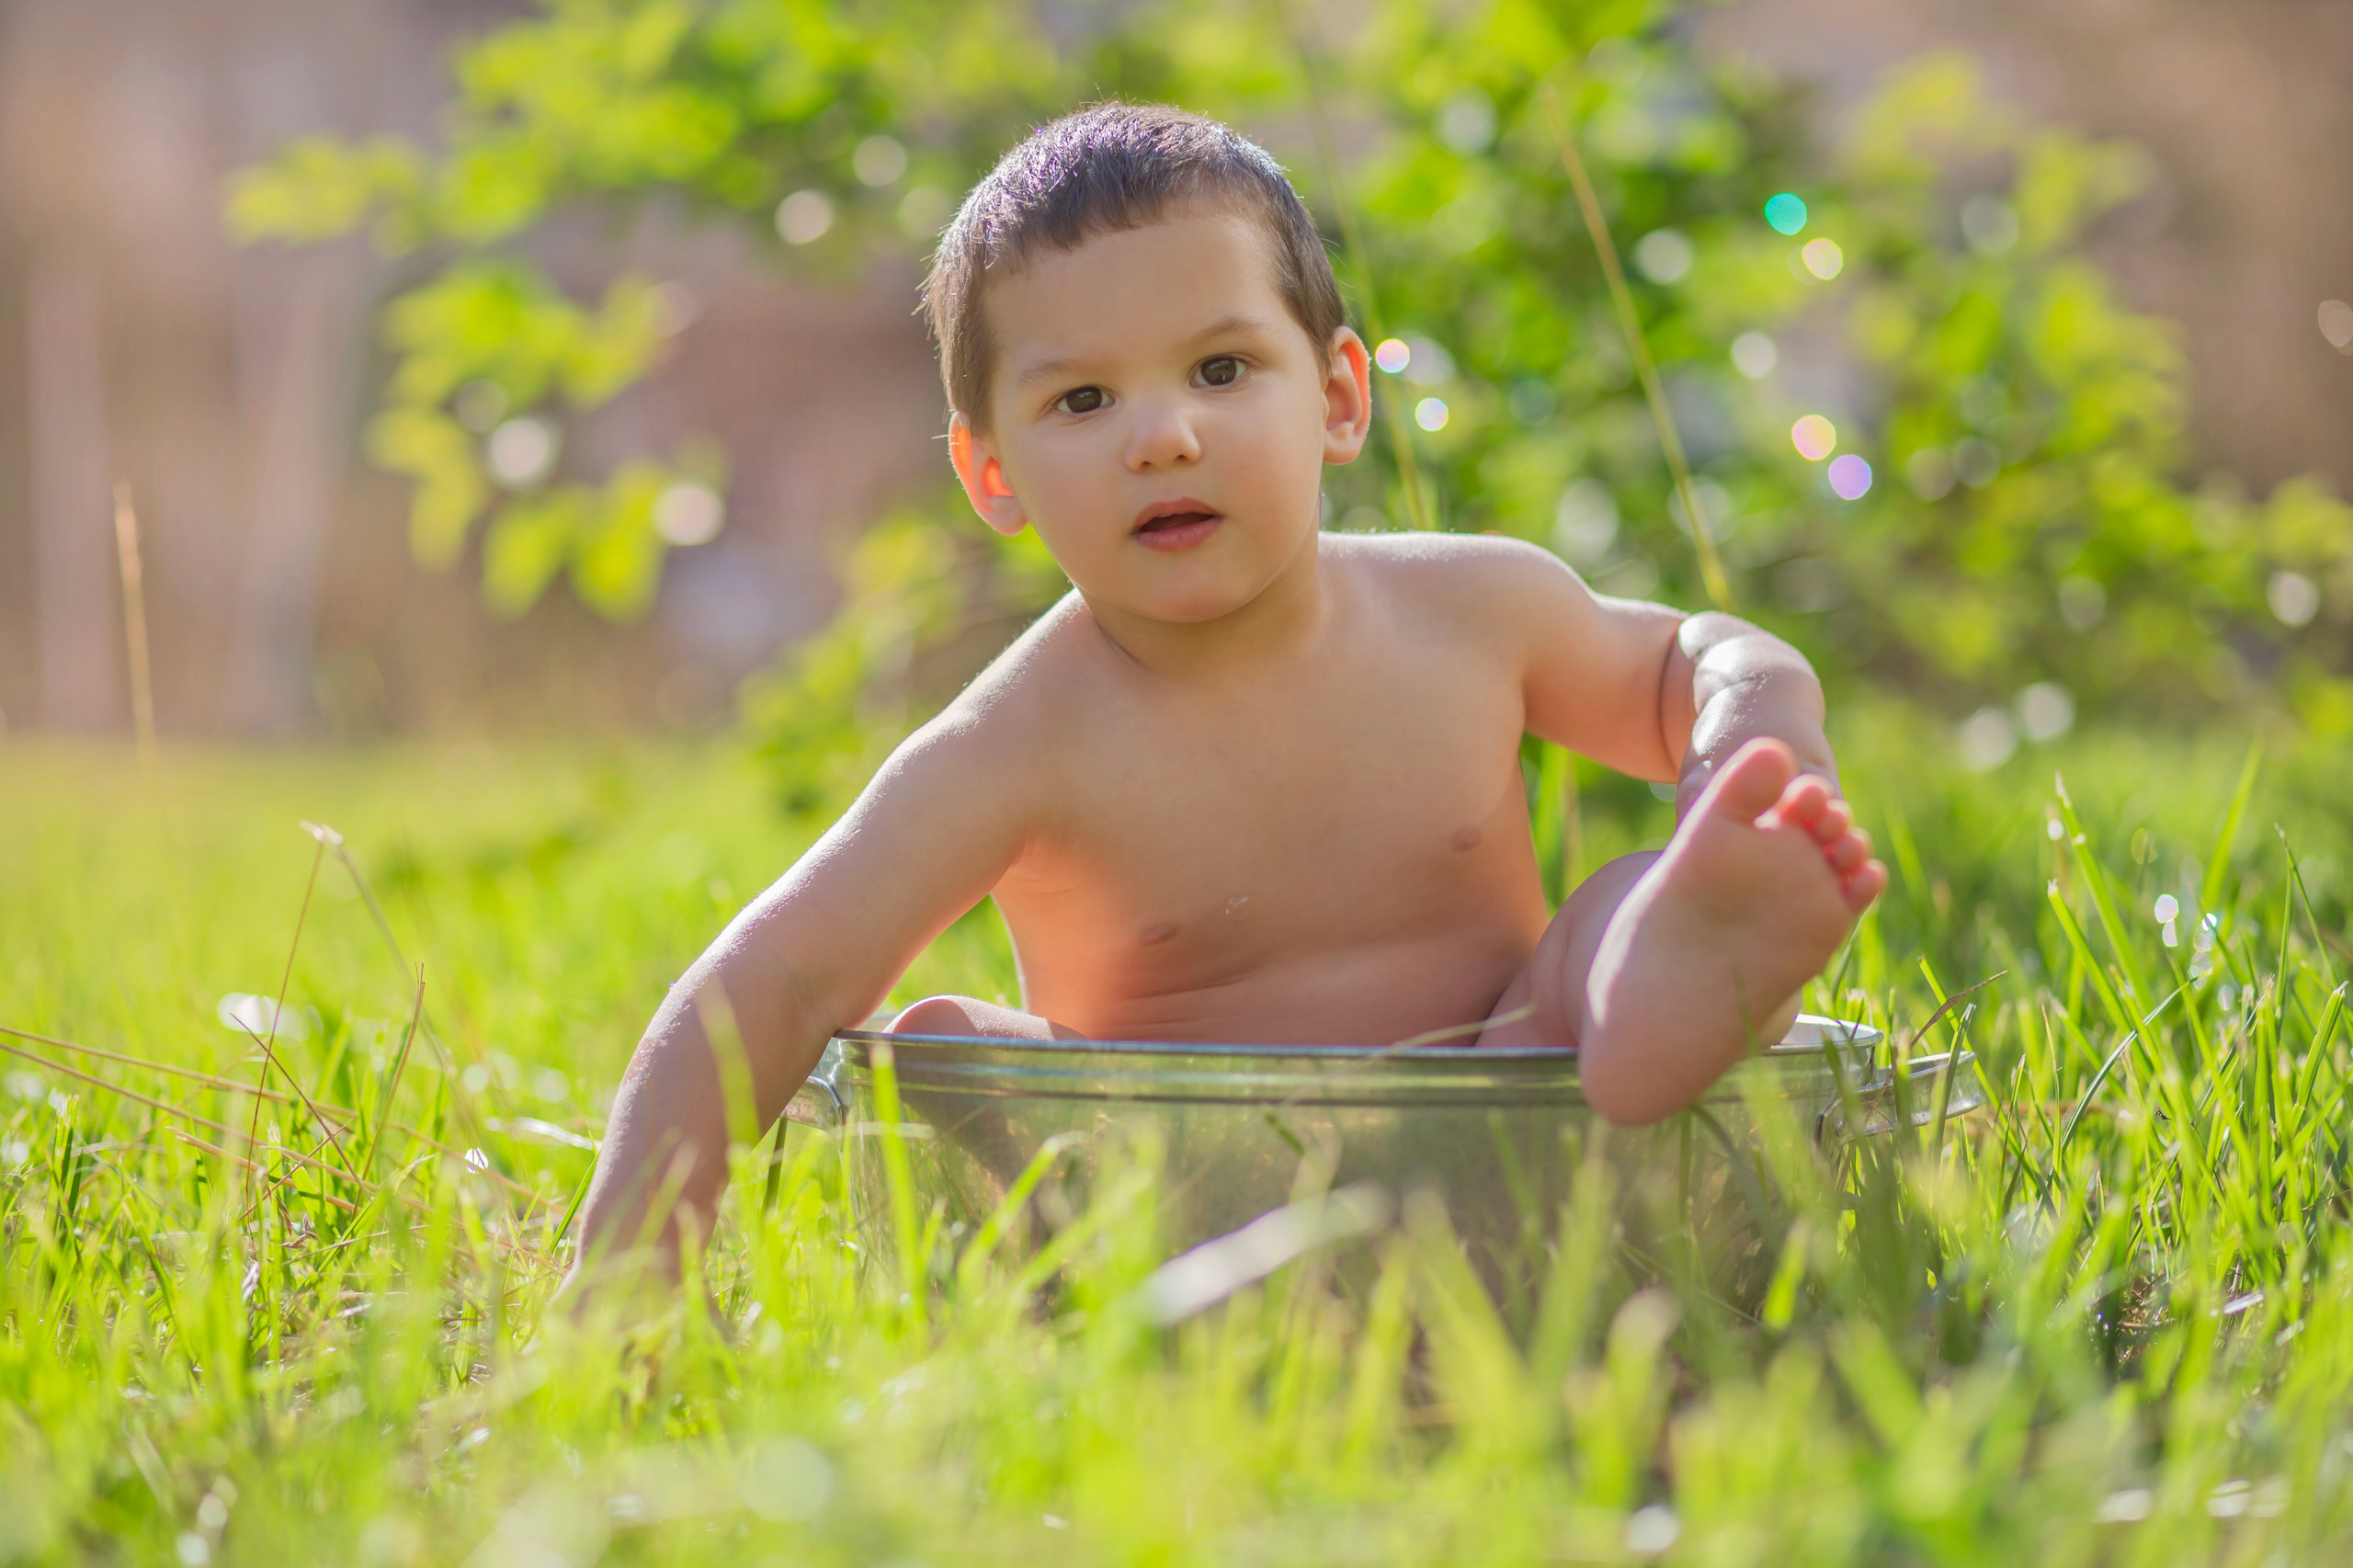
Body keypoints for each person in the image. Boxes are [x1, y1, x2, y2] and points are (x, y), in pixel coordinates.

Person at [565, 102, 1884, 1283]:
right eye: (1083, 398)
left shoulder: (1476, 613)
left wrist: (1750, 750)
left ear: (1338, 396)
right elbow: (775, 978)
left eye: (1220, 370)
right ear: (993, 473)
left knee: (1612, 918)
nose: (1164, 435)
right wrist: (621, 1276)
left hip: (1509, 1104)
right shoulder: (1011, 746)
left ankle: (1693, 972)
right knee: (949, 1046)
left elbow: (1697, 657)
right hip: (1173, 1204)